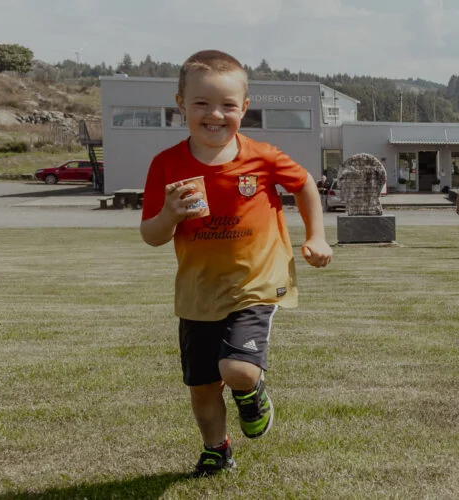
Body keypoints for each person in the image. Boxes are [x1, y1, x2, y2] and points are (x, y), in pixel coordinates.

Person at [139, 50, 332, 477]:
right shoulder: (166, 165)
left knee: (237, 369)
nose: (215, 114)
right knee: (203, 387)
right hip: (198, 293)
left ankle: (252, 389)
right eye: (202, 104)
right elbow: (152, 236)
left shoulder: (261, 157)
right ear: (181, 105)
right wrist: (170, 214)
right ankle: (217, 448)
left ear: (244, 108)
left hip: (254, 284)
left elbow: (305, 186)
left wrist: (316, 235)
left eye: (228, 105)